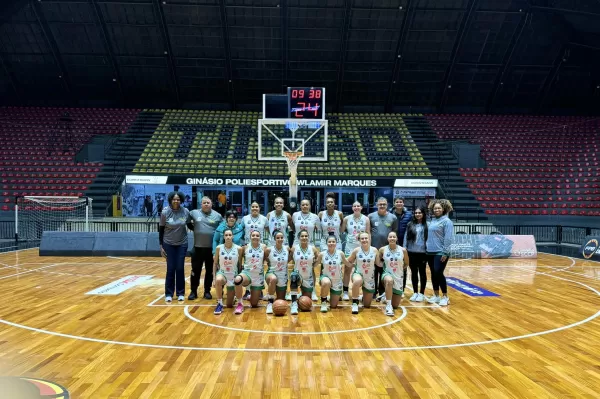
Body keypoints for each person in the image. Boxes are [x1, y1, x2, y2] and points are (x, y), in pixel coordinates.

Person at [188, 196, 223, 300]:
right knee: (195, 271)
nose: (206, 204)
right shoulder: (193, 213)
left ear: (211, 204)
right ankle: (193, 291)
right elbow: (187, 222)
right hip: (197, 248)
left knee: (210, 271)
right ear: (201, 204)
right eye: (204, 203)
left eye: (208, 203)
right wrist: (195, 229)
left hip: (211, 250)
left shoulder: (217, 216)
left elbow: (222, 229)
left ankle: (207, 291)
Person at [159, 191, 191, 303]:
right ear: (170, 200)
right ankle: (168, 293)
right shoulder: (165, 212)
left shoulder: (185, 211)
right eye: (174, 199)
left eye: (178, 199)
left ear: (181, 200)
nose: (176, 201)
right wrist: (161, 246)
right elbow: (161, 229)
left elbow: (189, 225)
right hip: (168, 244)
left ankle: (181, 293)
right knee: (171, 268)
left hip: (182, 244)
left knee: (180, 268)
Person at [368, 197, 398, 301]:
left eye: (384, 204)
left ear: (387, 205)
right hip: (373, 250)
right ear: (377, 205)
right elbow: (368, 232)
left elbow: (394, 233)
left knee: (383, 271)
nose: (382, 206)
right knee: (372, 272)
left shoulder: (393, 218)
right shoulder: (371, 216)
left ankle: (381, 292)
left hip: (386, 251)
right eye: (380, 204)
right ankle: (372, 291)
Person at [290, 198, 320, 301]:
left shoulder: (315, 217)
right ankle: (294, 291)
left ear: (310, 206)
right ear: (300, 206)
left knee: (310, 268)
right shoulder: (295, 215)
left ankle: (313, 290)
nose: (305, 206)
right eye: (303, 204)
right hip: (297, 243)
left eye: (307, 204)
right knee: (296, 267)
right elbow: (293, 228)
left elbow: (318, 231)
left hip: (310, 243)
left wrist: (317, 245)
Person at [233, 230, 270, 314]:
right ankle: (239, 304)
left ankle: (251, 296)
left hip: (258, 276)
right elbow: (239, 261)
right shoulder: (245, 247)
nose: (255, 237)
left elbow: (265, 259)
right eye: (253, 235)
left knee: (254, 304)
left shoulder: (264, 247)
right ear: (250, 237)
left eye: (257, 235)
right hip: (247, 273)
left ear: (260, 237)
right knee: (238, 279)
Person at [426, 199, 454, 306]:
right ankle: (436, 296)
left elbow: (448, 238)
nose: (437, 210)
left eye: (439, 208)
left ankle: (445, 297)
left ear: (443, 209)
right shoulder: (433, 221)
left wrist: (445, 252)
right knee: (433, 274)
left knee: (438, 272)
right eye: (435, 208)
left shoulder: (447, 221)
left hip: (440, 252)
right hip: (430, 252)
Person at [340, 201, 370, 300]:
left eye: (358, 206)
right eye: (354, 206)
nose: (356, 207)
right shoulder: (347, 219)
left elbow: (368, 233)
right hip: (349, 247)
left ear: (361, 207)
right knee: (347, 270)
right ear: (352, 208)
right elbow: (341, 231)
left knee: (364, 270)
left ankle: (361, 292)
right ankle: (345, 292)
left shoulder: (366, 219)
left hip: (362, 248)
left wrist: (369, 246)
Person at [378, 231, 409, 316]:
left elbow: (406, 263)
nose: (392, 238)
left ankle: (386, 296)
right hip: (387, 274)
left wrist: (399, 269)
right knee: (389, 281)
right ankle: (388, 306)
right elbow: (377, 261)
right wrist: (384, 267)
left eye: (394, 237)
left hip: (398, 276)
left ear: (396, 238)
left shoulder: (403, 250)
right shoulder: (382, 249)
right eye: (390, 237)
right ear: (387, 238)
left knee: (395, 305)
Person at [213, 228, 243, 315]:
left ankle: (234, 298)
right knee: (218, 280)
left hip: (233, 275)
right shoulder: (219, 248)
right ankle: (219, 303)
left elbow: (239, 265)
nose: (228, 237)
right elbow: (215, 264)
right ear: (223, 236)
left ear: (232, 236)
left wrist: (239, 279)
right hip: (223, 274)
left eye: (230, 235)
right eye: (226, 235)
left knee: (229, 305)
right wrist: (214, 278)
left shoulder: (239, 249)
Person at [241, 202, 268, 299]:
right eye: (253, 207)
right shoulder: (245, 218)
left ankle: (259, 289)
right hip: (248, 246)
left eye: (256, 207)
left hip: (259, 246)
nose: (254, 208)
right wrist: (242, 243)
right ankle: (248, 291)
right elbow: (240, 231)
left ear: (259, 208)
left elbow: (269, 231)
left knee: (259, 267)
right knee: (248, 267)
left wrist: (267, 243)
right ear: (250, 208)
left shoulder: (264, 219)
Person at [289, 230, 320, 315]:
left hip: (308, 277)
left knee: (306, 302)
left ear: (308, 237)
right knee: (293, 276)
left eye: (306, 236)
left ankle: (300, 295)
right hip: (297, 275)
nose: (304, 238)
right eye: (302, 236)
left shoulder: (313, 249)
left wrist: (313, 265)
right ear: (299, 238)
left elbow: (319, 258)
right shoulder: (295, 248)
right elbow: (288, 259)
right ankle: (294, 303)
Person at [346, 232, 377, 314]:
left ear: (369, 239)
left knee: (367, 305)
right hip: (358, 274)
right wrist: (349, 264)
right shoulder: (356, 250)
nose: (364, 240)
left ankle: (363, 297)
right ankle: (355, 303)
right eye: (362, 238)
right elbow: (348, 261)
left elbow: (378, 263)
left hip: (370, 278)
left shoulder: (374, 250)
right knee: (357, 281)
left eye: (366, 238)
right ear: (359, 240)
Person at [317, 235, 348, 313]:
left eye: (333, 242)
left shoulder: (340, 253)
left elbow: (347, 263)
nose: (331, 243)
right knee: (326, 282)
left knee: (333, 306)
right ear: (326, 243)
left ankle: (331, 295)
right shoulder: (322, 254)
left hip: (337, 281)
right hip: (325, 277)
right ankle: (323, 302)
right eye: (329, 242)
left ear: (336, 243)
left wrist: (355, 263)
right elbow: (314, 264)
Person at [404, 205, 428, 302]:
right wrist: (405, 249)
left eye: (419, 213)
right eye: (416, 213)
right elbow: (406, 237)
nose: (418, 214)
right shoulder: (410, 224)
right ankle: (415, 292)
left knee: (422, 273)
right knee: (414, 273)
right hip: (411, 252)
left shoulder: (427, 225)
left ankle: (421, 293)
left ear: (423, 214)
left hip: (423, 253)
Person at [265, 230, 291, 313]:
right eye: (277, 238)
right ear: (274, 239)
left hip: (283, 276)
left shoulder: (287, 248)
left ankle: (270, 294)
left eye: (281, 237)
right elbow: (264, 258)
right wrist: (269, 263)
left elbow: (290, 258)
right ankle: (270, 302)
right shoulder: (269, 250)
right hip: (271, 273)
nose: (280, 239)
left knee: (280, 300)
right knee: (273, 279)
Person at [392, 197, 412, 296]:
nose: (399, 203)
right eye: (397, 202)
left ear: (403, 203)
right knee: (391, 266)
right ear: (394, 203)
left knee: (403, 268)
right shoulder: (390, 214)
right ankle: (389, 288)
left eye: (401, 202)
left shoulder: (409, 215)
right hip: (392, 243)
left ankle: (401, 289)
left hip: (404, 245)